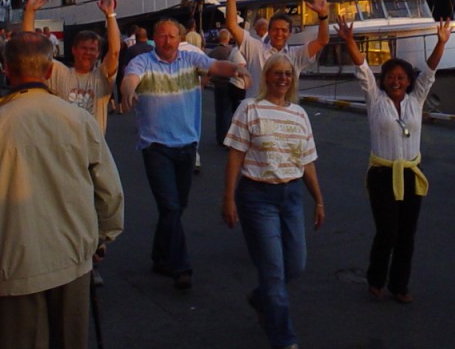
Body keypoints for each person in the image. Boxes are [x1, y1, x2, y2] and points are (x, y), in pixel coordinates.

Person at [0, 31, 124, 349]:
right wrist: (102, 238)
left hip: (10, 262)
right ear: (50, 71)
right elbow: (110, 191)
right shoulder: (78, 119)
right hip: (72, 254)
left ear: (6, 69)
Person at [121, 18, 249, 290]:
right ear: (155, 38)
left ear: (180, 39)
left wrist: (237, 69)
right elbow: (130, 80)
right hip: (156, 147)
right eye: (162, 36)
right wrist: (128, 92)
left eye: (171, 36)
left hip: (187, 145)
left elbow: (216, 67)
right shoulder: (143, 62)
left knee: (176, 208)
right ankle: (181, 266)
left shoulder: (191, 59)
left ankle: (159, 256)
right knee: (170, 206)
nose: (167, 41)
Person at [337, 15, 449, 303]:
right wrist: (350, 41)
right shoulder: (375, 100)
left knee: (407, 236)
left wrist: (441, 41)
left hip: (411, 174)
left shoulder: (416, 99)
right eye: (390, 77)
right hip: (382, 175)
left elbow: (431, 70)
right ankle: (376, 279)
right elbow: (362, 69)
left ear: (409, 81)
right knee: (386, 232)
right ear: (383, 81)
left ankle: (400, 286)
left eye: (401, 78)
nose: (395, 81)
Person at [221, 53, 325, 349]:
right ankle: (284, 340)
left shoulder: (300, 115)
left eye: (288, 74)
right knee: (274, 273)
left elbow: (307, 162)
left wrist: (318, 200)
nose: (283, 78)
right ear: (267, 76)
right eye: (277, 73)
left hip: (291, 195)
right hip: (257, 197)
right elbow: (236, 154)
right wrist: (228, 197)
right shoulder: (250, 108)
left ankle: (260, 297)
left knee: (295, 265)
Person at [22, 0, 120, 134]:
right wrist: (30, 12)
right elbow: (31, 49)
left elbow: (114, 52)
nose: (88, 53)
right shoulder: (59, 72)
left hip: (93, 150)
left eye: (92, 49)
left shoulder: (102, 77)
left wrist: (110, 15)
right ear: (73, 50)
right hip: (64, 150)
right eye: (83, 48)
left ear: (98, 53)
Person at [226, 0, 330, 96]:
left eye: (283, 30)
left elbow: (322, 41)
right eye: (275, 29)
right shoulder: (255, 49)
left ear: (289, 33)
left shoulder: (296, 55)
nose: (279, 34)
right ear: (268, 32)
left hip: (284, 113)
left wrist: (323, 16)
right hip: (259, 112)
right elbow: (232, 25)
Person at [207, 28, 248, 145]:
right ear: (228, 38)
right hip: (228, 84)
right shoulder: (229, 52)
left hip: (217, 84)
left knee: (219, 112)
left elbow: (209, 70)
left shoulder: (213, 52)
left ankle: (219, 136)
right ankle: (227, 137)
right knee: (227, 112)